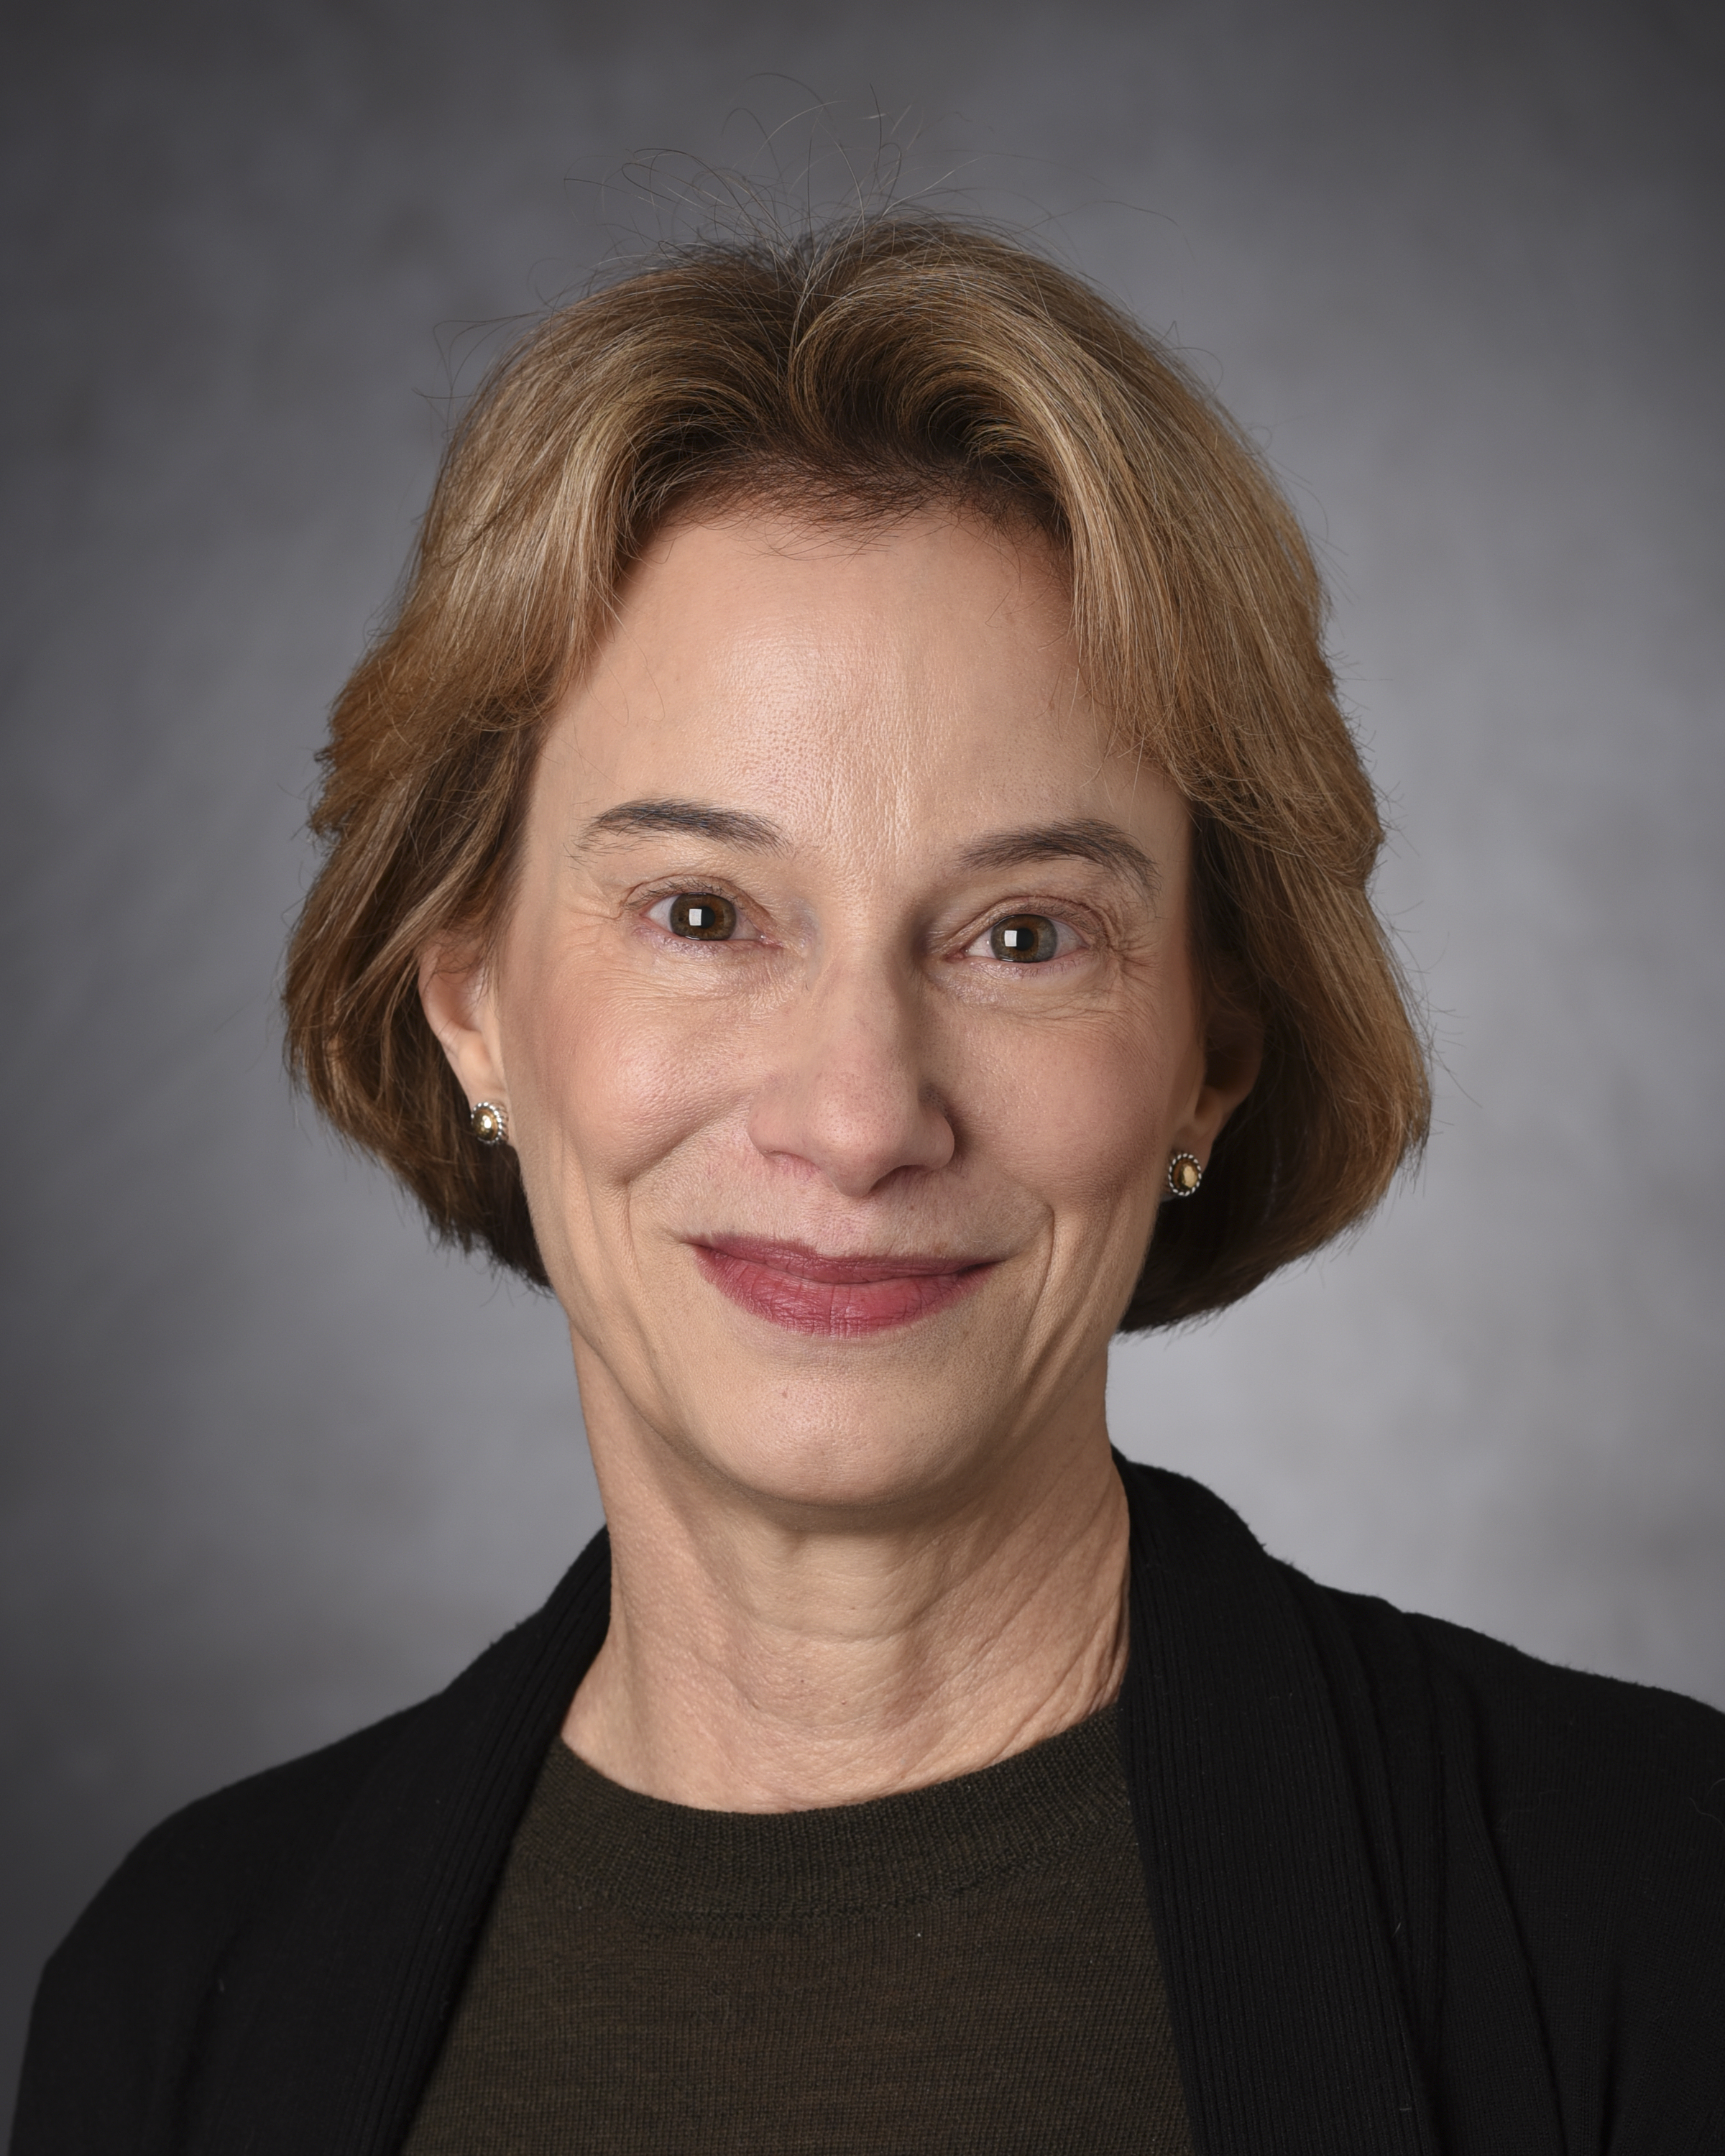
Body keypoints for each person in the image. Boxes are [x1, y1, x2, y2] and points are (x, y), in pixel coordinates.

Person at [12, 215, 1724, 2156]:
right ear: (475, 999)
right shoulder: (180, 2000)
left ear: (1212, 1051)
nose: (856, 1115)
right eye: (703, 912)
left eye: (1022, 936)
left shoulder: (1661, 1920)